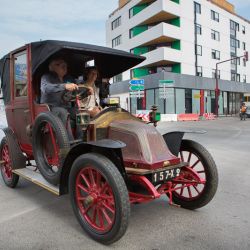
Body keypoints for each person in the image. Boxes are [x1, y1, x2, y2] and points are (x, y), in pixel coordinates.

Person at [40, 57, 78, 140]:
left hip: (65, 107)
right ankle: (68, 145)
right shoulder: (46, 77)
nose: (63, 66)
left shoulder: (68, 79)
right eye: (58, 64)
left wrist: (86, 91)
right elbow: (45, 88)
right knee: (62, 112)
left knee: (79, 112)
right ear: (51, 68)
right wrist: (64, 86)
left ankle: (82, 140)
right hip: (50, 109)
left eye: (65, 65)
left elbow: (76, 93)